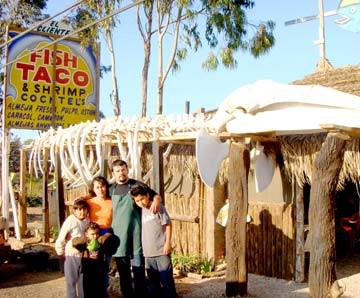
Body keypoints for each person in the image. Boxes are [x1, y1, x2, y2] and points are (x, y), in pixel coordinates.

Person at [110, 159, 161, 298]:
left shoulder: (137, 185)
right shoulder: (111, 189)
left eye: (123, 170)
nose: (121, 173)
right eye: (118, 171)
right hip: (119, 237)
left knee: (139, 271)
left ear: (127, 169)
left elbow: (155, 195)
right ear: (113, 173)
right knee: (124, 272)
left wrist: (156, 200)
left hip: (137, 234)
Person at [130, 184, 177, 298]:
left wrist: (167, 243)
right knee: (153, 284)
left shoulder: (158, 207)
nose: (140, 202)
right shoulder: (141, 211)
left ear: (147, 195)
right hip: (148, 253)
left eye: (142, 199)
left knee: (167, 281)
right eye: (137, 201)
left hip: (161, 251)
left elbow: (168, 225)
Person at [72, 222, 120, 298]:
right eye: (92, 234)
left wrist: (99, 241)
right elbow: (74, 242)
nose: (95, 236)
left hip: (99, 275)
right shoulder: (84, 246)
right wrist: (87, 242)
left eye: (97, 234)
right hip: (87, 275)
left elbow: (114, 239)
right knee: (88, 294)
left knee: (100, 293)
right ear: (87, 234)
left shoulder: (101, 244)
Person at [55, 198, 90, 298]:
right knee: (71, 280)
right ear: (74, 210)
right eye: (79, 209)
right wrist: (60, 251)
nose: (81, 212)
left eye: (84, 209)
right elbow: (61, 236)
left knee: (82, 280)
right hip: (72, 253)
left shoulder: (88, 220)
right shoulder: (70, 220)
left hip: (84, 254)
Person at [86, 176, 113, 296]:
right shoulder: (89, 202)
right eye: (97, 187)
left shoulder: (112, 201)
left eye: (102, 186)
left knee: (105, 266)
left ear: (106, 187)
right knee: (93, 265)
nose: (100, 189)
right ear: (93, 188)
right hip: (93, 236)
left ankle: (104, 293)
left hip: (107, 235)